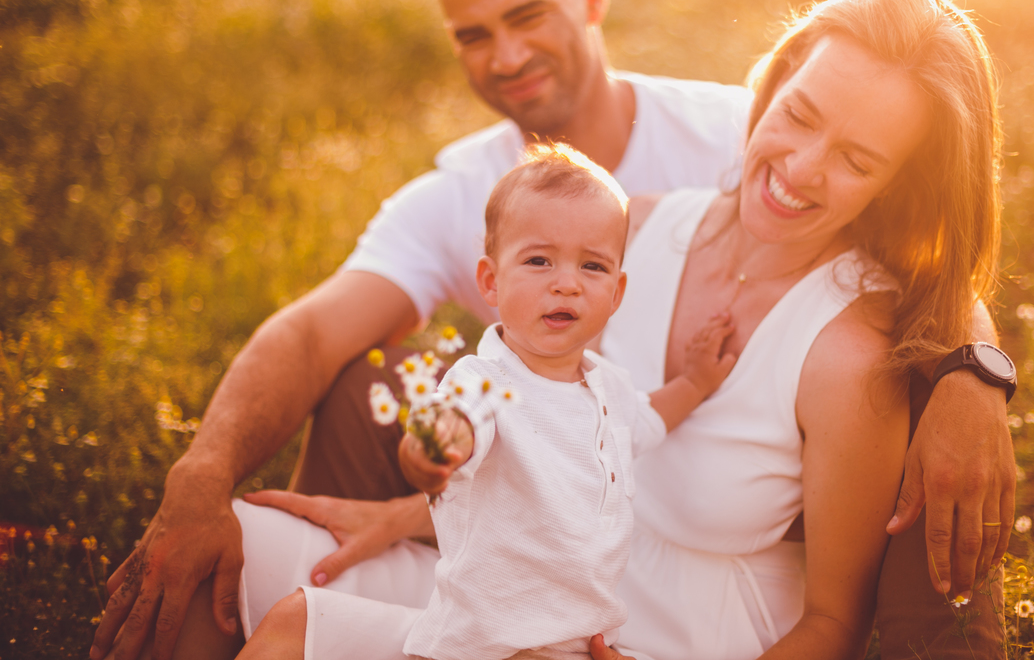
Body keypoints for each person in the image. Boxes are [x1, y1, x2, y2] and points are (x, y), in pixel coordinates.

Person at [91, 0, 1015, 660]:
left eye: (856, 160)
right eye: (799, 116)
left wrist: (977, 375)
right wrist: (412, 510)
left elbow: (833, 621)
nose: (801, 169)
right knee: (229, 559)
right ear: (771, 90)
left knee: (300, 628)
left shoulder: (847, 345)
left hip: (658, 637)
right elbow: (587, 442)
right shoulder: (641, 224)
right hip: (541, 579)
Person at [237, 144, 736, 660]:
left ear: (616, 292)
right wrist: (431, 453)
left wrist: (696, 383)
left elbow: (650, 417)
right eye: (538, 260)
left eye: (592, 266)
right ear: (491, 281)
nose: (566, 283)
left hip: (580, 649)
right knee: (292, 624)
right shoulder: (484, 382)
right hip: (479, 648)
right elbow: (453, 422)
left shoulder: (608, 389)